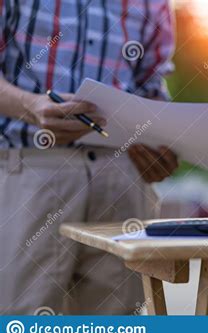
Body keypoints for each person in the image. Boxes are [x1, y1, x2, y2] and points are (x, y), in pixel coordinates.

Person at [0, 0, 178, 315]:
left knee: (120, 322)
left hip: (123, 173)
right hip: (30, 170)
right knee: (22, 317)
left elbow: (150, 83)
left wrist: (159, 141)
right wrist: (30, 106)